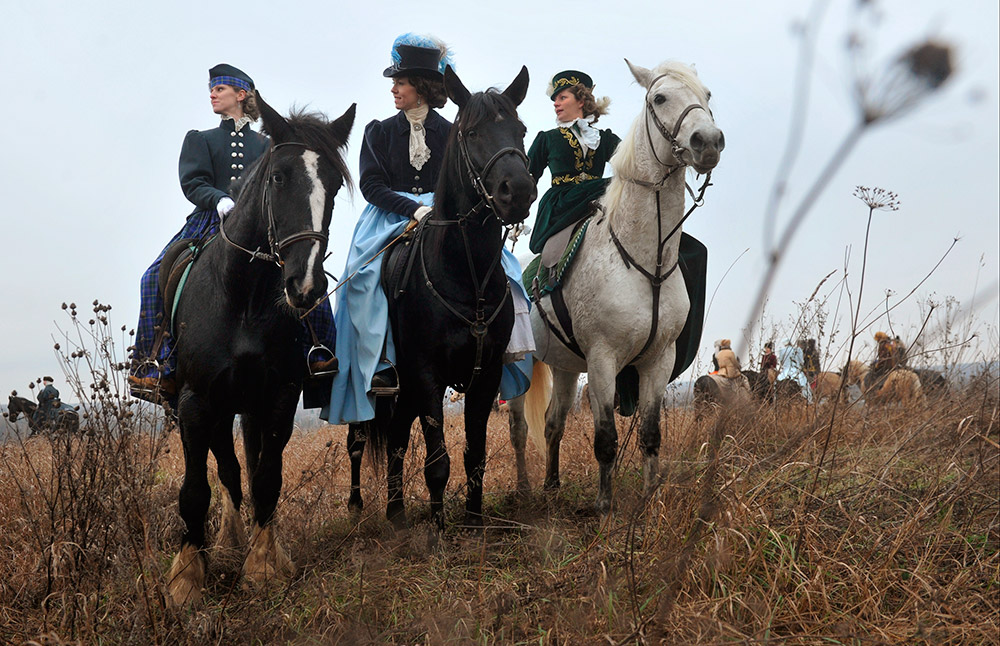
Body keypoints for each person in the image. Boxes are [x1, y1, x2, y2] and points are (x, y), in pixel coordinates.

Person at [323, 34, 534, 425]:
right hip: (389, 217)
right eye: (395, 83)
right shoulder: (378, 131)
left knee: (509, 273)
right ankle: (381, 363)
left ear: (420, 86)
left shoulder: (454, 129)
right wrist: (413, 209)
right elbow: (371, 186)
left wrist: (439, 210)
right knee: (362, 280)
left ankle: (509, 349)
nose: (393, 89)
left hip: (446, 215)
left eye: (400, 82)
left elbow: (463, 178)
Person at [128, 64, 337, 402]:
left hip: (259, 227)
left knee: (307, 273)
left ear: (241, 95)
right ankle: (153, 362)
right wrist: (219, 199)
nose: (212, 94)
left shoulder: (267, 144)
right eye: (211, 89)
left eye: (220, 89)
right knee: (152, 277)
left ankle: (317, 349)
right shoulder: (200, 139)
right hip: (209, 221)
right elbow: (193, 182)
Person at [526, 71, 620, 258]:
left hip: (596, 197)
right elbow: (527, 178)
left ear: (581, 101)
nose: (556, 103)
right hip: (561, 204)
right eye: (555, 99)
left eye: (562, 97)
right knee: (610, 185)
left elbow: (630, 163)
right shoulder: (547, 138)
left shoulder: (605, 139)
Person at [778, 338, 812, 403]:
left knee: (775, 385)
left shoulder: (782, 351)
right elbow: (801, 362)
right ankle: (808, 401)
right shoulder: (797, 350)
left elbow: (781, 362)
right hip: (796, 371)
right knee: (805, 386)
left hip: (785, 372)